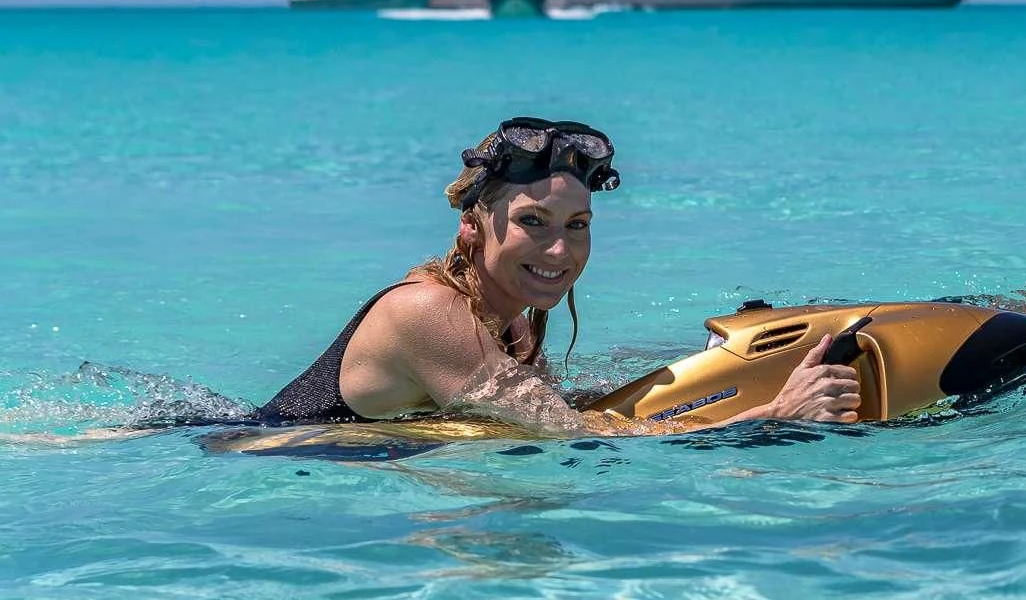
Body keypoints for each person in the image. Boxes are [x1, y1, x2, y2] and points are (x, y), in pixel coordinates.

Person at [255, 118, 860, 435]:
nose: (559, 249)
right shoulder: (428, 313)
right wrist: (770, 416)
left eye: (577, 225)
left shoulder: (507, 321)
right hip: (264, 460)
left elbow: (556, 412)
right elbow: (570, 435)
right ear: (472, 224)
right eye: (532, 221)